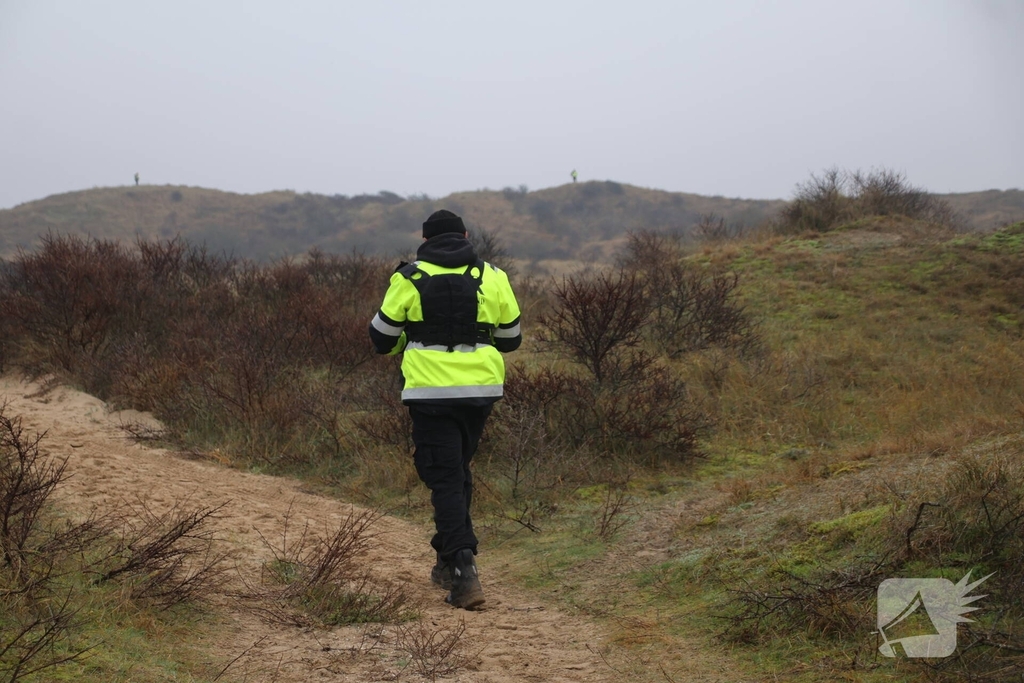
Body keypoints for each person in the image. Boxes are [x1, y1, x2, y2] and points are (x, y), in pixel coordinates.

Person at [368, 210, 522, 609]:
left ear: (424, 240)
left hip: (429, 394)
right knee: (456, 473)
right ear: (466, 235)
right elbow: (510, 339)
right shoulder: (494, 276)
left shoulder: (407, 278)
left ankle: (464, 572)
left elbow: (382, 339)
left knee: (444, 479)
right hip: (481, 393)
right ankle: (445, 557)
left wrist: (411, 342)